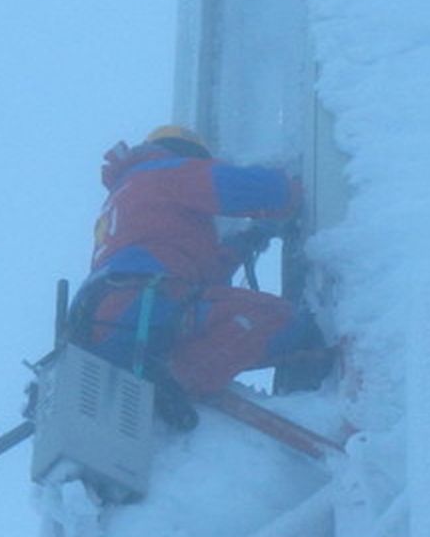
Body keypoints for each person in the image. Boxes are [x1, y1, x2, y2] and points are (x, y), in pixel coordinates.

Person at [70, 125, 331, 428]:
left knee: (223, 320)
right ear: (188, 156)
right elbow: (259, 191)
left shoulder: (128, 197)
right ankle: (173, 383)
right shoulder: (164, 172)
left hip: (112, 322)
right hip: (142, 310)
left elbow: (189, 272)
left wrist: (242, 245)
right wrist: (294, 189)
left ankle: (165, 384)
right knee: (278, 319)